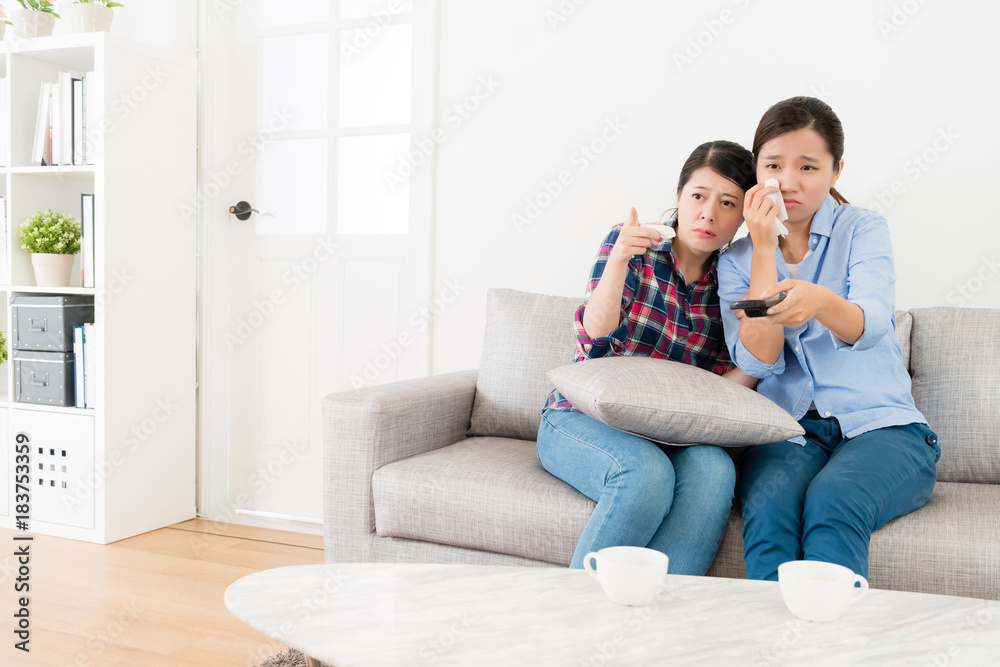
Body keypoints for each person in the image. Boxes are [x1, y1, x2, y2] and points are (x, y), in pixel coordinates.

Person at [717, 96, 940, 582]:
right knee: (770, 511)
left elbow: (873, 322)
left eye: (808, 166)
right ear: (757, 169)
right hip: (791, 431)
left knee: (833, 500)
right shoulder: (733, 260)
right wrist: (760, 246)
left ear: (836, 171)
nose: (789, 182)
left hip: (884, 427)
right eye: (773, 165)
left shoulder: (862, 228)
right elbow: (759, 359)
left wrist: (819, 302)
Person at [537, 140, 758, 573]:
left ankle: (658, 630)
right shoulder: (635, 244)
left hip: (670, 431)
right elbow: (595, 335)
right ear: (679, 199)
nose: (708, 213)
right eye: (698, 196)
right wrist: (619, 258)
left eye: (727, 202)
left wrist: (769, 350)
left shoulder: (732, 281)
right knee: (646, 475)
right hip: (581, 418)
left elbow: (720, 387)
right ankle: (578, 618)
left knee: (715, 471)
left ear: (742, 218)